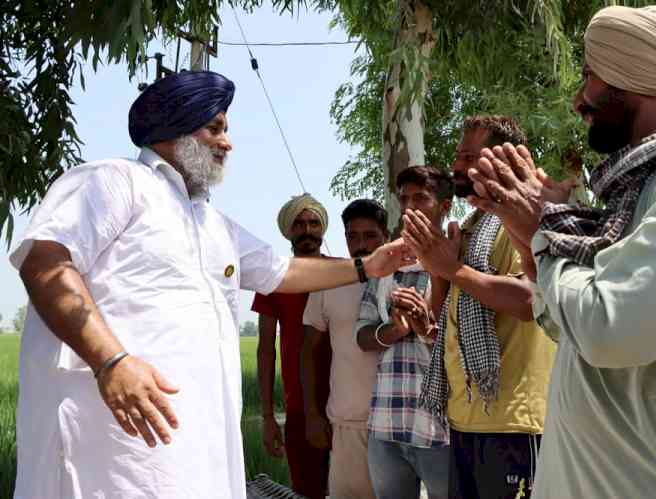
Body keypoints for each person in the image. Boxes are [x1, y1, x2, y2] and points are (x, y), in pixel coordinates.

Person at [9, 70, 410, 499]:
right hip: (111, 446)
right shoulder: (112, 180)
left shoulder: (212, 222)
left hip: (195, 449)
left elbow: (282, 271)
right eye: (215, 128)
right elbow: (45, 263)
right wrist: (112, 362)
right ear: (177, 126)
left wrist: (367, 266)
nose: (227, 142)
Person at [466, 5, 656, 498]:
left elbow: (609, 327)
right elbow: (565, 323)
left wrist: (544, 230)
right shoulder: (645, 181)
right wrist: (526, 234)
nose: (579, 99)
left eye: (590, 76)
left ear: (632, 75)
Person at [401, 116, 557, 499]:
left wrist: (451, 268)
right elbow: (444, 311)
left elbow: (528, 301)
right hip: (465, 420)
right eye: (458, 155)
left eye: (468, 156)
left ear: (503, 160)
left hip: (513, 425)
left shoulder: (520, 223)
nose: (456, 166)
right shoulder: (469, 226)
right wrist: (438, 274)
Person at [355, 166, 453, 499]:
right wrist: (394, 330)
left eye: (421, 198)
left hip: (441, 428)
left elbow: (460, 337)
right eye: (404, 199)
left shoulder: (457, 258)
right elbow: (362, 335)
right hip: (386, 423)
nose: (410, 207)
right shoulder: (386, 263)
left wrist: (426, 327)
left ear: (445, 206)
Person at [301, 199, 390, 499]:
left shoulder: (408, 277)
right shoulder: (329, 281)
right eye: (353, 236)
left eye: (370, 236)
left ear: (385, 236)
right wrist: (312, 414)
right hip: (348, 422)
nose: (361, 245)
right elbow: (308, 352)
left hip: (400, 423)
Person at [252, 194, 332, 499]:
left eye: (313, 223)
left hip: (348, 403)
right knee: (307, 491)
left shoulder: (342, 272)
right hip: (300, 408)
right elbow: (265, 350)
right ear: (288, 230)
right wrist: (268, 417)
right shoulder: (276, 278)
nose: (307, 230)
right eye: (299, 224)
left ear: (323, 229)